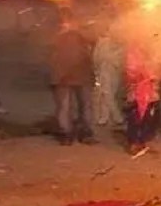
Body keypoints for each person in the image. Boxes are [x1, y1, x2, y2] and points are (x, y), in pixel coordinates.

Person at [49, 8, 95, 145]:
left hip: (80, 74)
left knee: (85, 106)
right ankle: (67, 134)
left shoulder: (81, 35)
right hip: (63, 76)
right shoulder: (55, 35)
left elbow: (92, 42)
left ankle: (84, 133)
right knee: (65, 106)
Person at [124, 39, 160, 156]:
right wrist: (145, 74)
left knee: (148, 118)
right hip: (137, 92)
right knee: (135, 117)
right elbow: (131, 71)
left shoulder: (153, 51)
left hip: (150, 92)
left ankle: (142, 141)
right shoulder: (133, 52)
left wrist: (155, 74)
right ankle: (133, 142)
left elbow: (157, 69)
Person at [92, 23, 124, 127]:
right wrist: (97, 69)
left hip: (114, 71)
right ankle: (117, 117)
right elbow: (96, 57)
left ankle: (104, 117)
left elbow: (122, 60)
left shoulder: (121, 45)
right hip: (104, 70)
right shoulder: (102, 42)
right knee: (106, 93)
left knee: (109, 94)